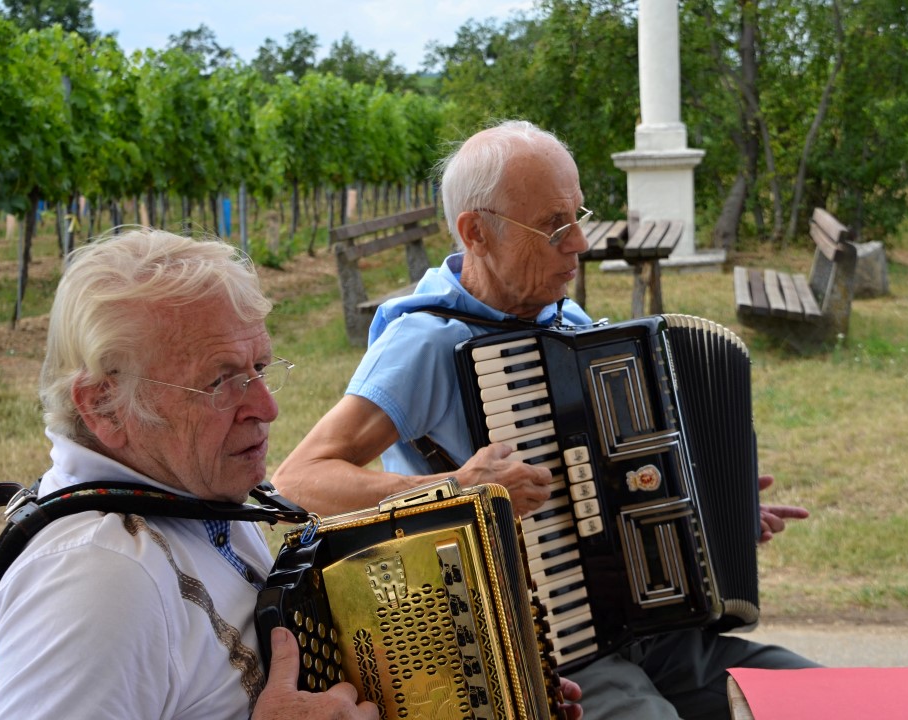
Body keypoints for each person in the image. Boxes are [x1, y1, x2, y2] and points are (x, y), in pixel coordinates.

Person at [272, 119, 820, 720]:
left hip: (648, 627)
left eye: (577, 215)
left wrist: (713, 513)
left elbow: (616, 480)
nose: (579, 242)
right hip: (542, 651)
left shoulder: (568, 323)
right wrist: (455, 489)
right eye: (554, 225)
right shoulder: (425, 342)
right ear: (476, 232)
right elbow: (298, 480)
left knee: (820, 698)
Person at [0, 228, 379, 719]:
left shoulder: (191, 492)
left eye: (260, 367)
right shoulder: (98, 579)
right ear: (106, 406)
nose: (267, 407)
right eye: (220, 381)